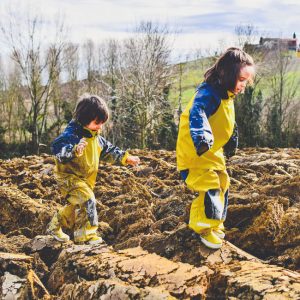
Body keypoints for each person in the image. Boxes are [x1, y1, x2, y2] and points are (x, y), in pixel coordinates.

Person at [176, 47, 255, 249]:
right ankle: (203, 227)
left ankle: (215, 223)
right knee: (210, 185)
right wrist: (201, 136)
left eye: (246, 80)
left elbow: (226, 121)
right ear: (228, 75)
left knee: (222, 183)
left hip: (212, 153)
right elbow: (198, 112)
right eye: (241, 79)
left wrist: (231, 140)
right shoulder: (208, 94)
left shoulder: (226, 95)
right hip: (195, 152)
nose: (244, 85)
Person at [47, 94, 140, 244]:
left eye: (102, 123)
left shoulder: (96, 137)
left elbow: (109, 151)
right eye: (97, 122)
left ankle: (54, 227)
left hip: (86, 179)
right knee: (89, 200)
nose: (100, 127)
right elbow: (58, 150)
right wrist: (74, 150)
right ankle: (86, 236)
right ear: (84, 119)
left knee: (74, 207)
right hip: (68, 178)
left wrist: (125, 158)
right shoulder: (71, 136)